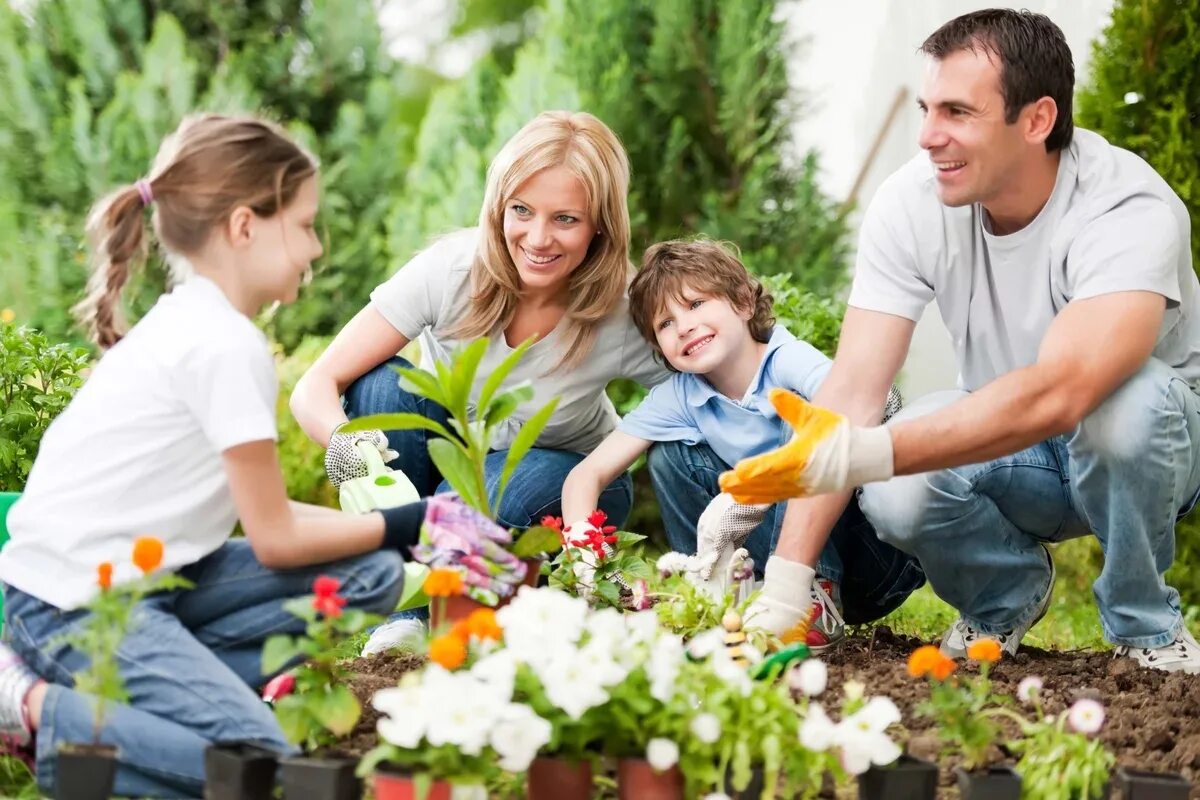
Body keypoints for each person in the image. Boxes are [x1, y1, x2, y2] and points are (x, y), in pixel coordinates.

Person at [719, 9, 1200, 674]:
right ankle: (1003, 596)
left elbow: (1066, 392)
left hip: (1150, 443)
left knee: (1125, 409)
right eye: (925, 108)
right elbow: (854, 389)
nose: (927, 136)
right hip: (1017, 446)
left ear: (1036, 120)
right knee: (896, 490)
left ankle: (1145, 628)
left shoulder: (1126, 208)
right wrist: (786, 581)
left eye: (956, 112)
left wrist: (868, 452)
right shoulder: (913, 202)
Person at [0, 114, 446, 797]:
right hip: (72, 607)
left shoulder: (195, 320)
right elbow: (275, 539)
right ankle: (35, 708)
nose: (317, 246)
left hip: (151, 582)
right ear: (245, 226)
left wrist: (403, 527)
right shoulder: (222, 345)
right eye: (304, 224)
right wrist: (417, 524)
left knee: (370, 576)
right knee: (263, 772)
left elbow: (266, 513)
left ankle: (166, 702)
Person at [290, 111, 669, 654]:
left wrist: (606, 463)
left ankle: (444, 608)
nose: (537, 239)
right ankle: (403, 619)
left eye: (565, 219)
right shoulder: (451, 271)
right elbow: (316, 385)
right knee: (378, 388)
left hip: (564, 475)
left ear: (601, 225)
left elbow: (690, 393)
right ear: (498, 208)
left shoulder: (620, 309)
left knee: (487, 495)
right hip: (459, 459)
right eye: (522, 211)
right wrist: (347, 448)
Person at [561, 238, 924, 650]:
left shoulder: (786, 359)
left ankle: (812, 597)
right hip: (774, 564)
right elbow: (586, 474)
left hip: (872, 561)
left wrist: (748, 498)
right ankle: (712, 592)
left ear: (743, 304)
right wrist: (583, 551)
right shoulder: (682, 394)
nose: (684, 326)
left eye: (696, 304)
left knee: (809, 418)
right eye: (664, 323)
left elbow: (856, 409)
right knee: (668, 456)